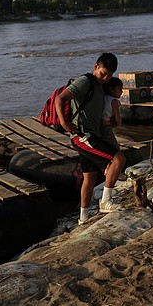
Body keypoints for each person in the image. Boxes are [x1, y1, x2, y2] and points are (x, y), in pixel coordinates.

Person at [55, 52, 126, 225]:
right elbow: (60, 98)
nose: (106, 77)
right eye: (103, 73)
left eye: (109, 75)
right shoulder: (85, 81)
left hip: (91, 134)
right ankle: (105, 202)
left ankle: (83, 217)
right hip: (82, 135)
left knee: (90, 177)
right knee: (119, 158)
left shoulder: (101, 86)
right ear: (95, 67)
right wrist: (64, 123)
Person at [101, 77, 123, 149]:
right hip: (107, 127)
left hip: (99, 125)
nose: (122, 91)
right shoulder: (114, 101)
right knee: (114, 148)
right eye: (120, 89)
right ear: (111, 89)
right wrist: (119, 122)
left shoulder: (103, 97)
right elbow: (118, 120)